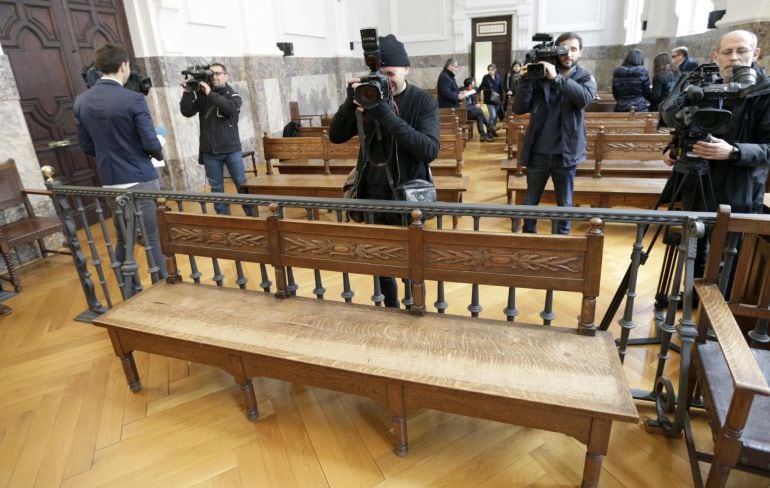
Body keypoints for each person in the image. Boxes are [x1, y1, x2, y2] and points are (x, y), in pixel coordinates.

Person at [328, 34, 440, 308]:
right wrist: (349, 102)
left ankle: (414, 304)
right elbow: (336, 136)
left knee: (411, 260)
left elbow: (429, 150)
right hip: (372, 193)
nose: (384, 79)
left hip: (409, 198)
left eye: (390, 73)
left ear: (406, 70)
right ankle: (389, 307)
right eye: (379, 73)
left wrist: (384, 113)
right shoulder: (366, 98)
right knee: (381, 260)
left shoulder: (422, 101)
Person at [663, 30, 770, 278]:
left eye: (741, 51)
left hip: (738, 187)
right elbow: (686, 123)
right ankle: (691, 294)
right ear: (716, 56)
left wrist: (733, 151)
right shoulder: (704, 86)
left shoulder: (764, 93)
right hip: (697, 178)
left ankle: (720, 305)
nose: (734, 58)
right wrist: (674, 148)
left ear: (755, 54)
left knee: (732, 251)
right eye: (727, 52)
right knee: (693, 243)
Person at [74, 43, 167, 278]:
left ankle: (128, 287)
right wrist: (158, 149)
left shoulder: (82, 101)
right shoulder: (133, 99)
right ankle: (164, 285)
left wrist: (112, 154)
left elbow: (86, 146)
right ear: (123, 65)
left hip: (110, 180)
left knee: (124, 238)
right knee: (152, 238)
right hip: (140, 178)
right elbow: (150, 143)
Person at [511, 32, 597, 235]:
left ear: (580, 52)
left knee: (564, 203)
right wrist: (524, 80)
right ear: (556, 52)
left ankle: (562, 241)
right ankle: (528, 237)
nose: (568, 54)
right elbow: (519, 108)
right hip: (538, 151)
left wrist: (557, 78)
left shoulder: (585, 77)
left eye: (573, 49)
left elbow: (583, 98)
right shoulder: (540, 75)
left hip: (565, 154)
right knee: (530, 201)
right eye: (564, 49)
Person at [180, 63, 255, 216]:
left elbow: (230, 109)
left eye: (218, 73)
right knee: (216, 189)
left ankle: (252, 216)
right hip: (210, 151)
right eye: (211, 73)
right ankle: (223, 219)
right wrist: (187, 92)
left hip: (231, 150)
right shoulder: (203, 95)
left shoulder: (233, 95)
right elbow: (187, 112)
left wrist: (210, 94)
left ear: (226, 76)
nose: (214, 77)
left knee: (242, 185)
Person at [462, 77, 496, 142]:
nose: (474, 85)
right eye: (473, 84)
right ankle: (488, 125)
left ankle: (483, 135)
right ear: (470, 85)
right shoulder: (463, 93)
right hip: (465, 114)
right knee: (479, 111)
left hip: (471, 112)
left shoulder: (471, 91)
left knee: (479, 116)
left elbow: (477, 90)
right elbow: (466, 108)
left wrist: (476, 103)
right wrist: (475, 106)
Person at [480, 64, 504, 129]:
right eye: (489, 70)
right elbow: (481, 87)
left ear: (495, 70)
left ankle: (493, 131)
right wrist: (475, 91)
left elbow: (501, 88)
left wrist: (502, 99)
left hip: (497, 99)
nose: (491, 71)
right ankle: (489, 129)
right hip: (489, 99)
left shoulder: (498, 77)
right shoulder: (486, 77)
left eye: (492, 70)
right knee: (492, 115)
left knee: (495, 116)